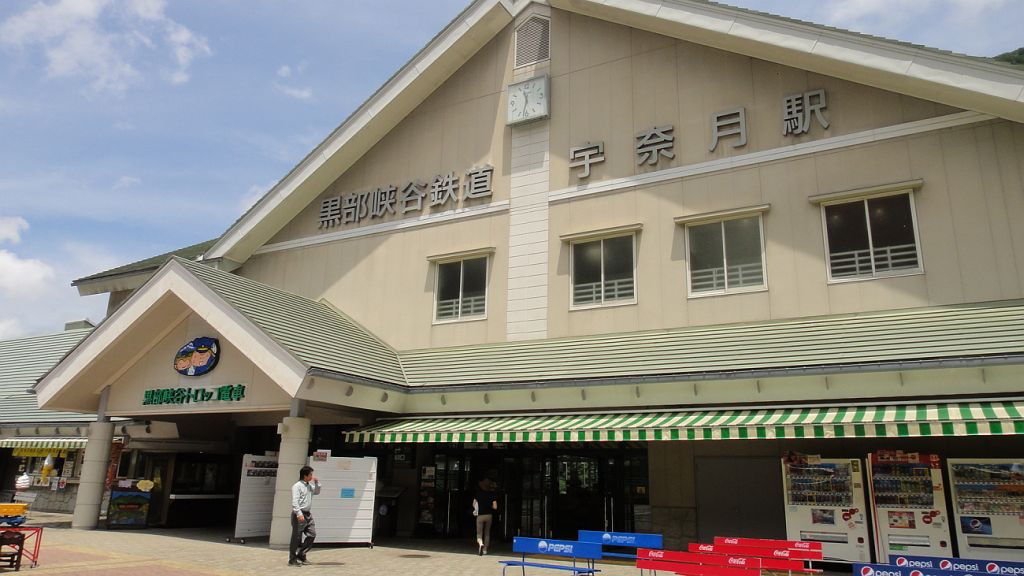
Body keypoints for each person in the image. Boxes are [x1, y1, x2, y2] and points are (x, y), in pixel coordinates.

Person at [289, 465, 321, 567]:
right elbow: (295, 502)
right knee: (296, 538)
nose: (312, 476)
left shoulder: (309, 486)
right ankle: (292, 559)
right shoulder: (297, 486)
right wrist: (299, 514)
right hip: (299, 514)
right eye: (310, 474)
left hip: (308, 514)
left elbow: (316, 492)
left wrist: (317, 483)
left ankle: (301, 554)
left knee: (312, 534)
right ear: (305, 476)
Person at [472, 478, 498, 555]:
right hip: (489, 515)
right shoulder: (492, 494)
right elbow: (495, 507)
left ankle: (481, 544)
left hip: (480, 516)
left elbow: (473, 504)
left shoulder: (478, 494)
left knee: (479, 534)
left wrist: (478, 507)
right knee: (487, 533)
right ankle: (485, 550)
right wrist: (490, 506)